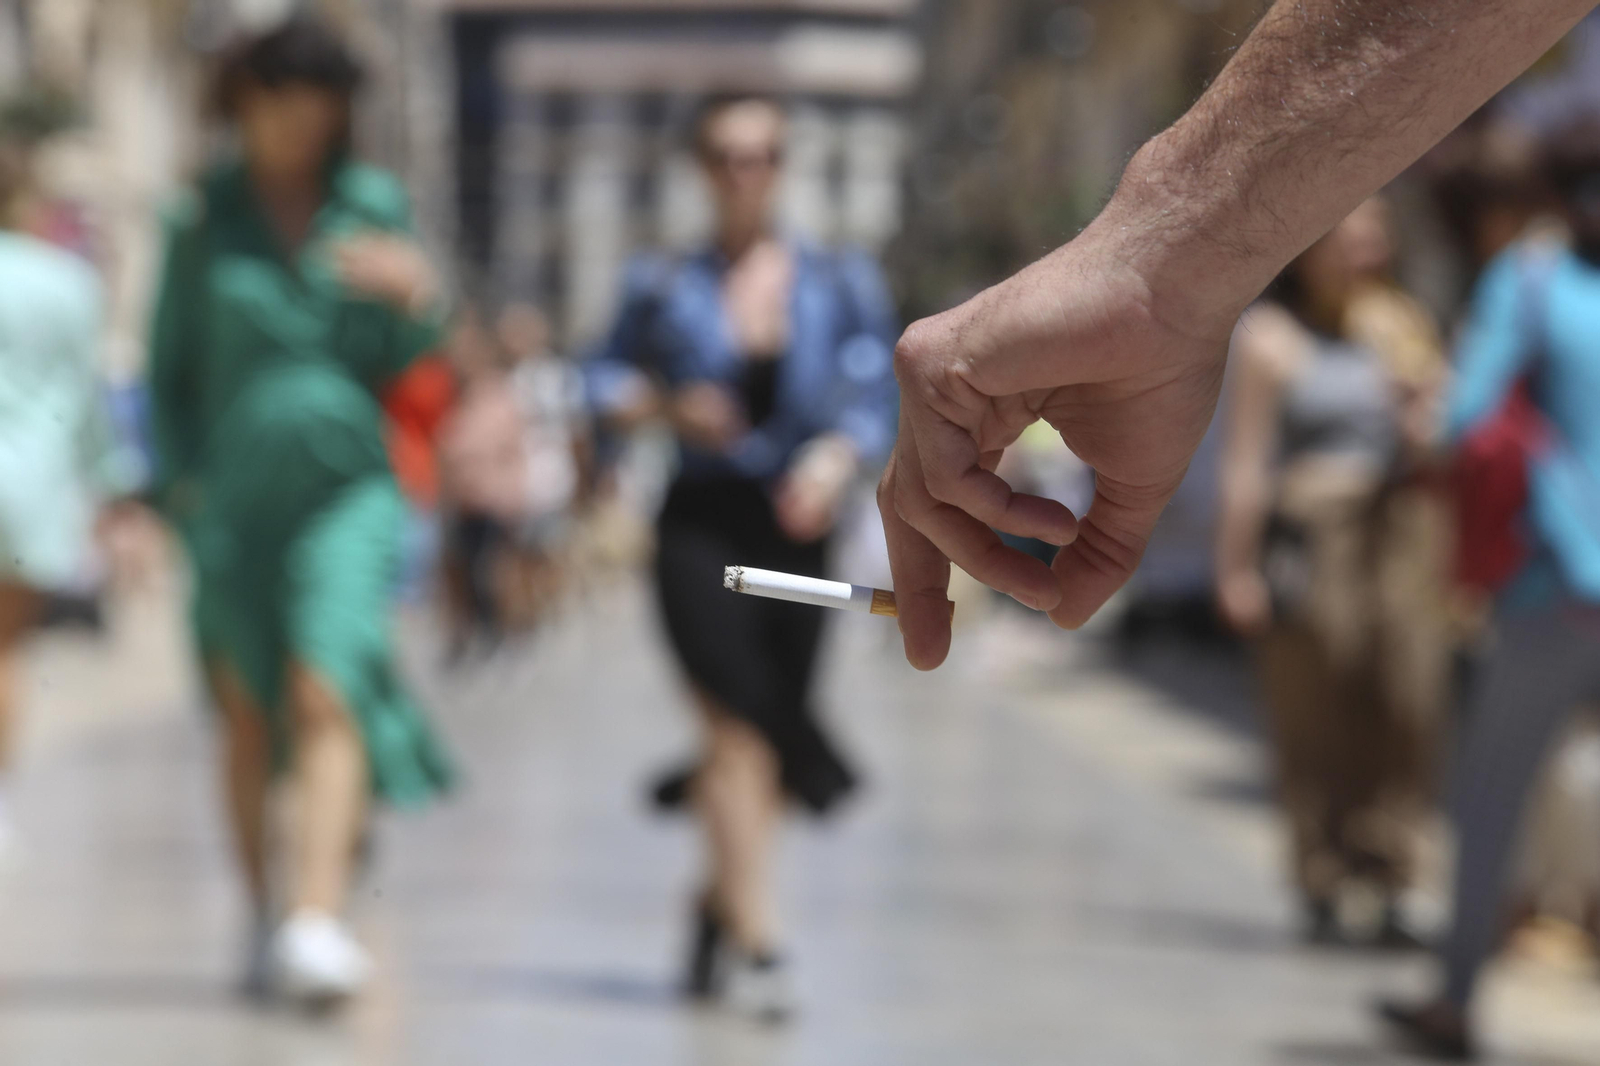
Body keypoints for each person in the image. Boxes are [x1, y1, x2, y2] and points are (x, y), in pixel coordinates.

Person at [875, 0, 1593, 673]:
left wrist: (1164, 253)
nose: (1366, 252)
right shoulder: (1294, 332)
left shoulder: (1430, 307)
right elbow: (1250, 465)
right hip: (1338, 564)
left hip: (1425, 561)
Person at [145, 17, 453, 1006]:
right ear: (243, 108)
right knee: (247, 714)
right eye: (282, 115)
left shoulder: (370, 207)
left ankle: (317, 918)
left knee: (327, 682)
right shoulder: (201, 218)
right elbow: (168, 370)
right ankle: (262, 907)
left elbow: (412, 359)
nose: (300, 136)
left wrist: (419, 295)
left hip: (344, 483)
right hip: (231, 492)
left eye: (319, 119)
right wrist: (170, 487)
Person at [593, 94, 896, 1019]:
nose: (743, 171)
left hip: (800, 520)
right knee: (734, 722)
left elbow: (880, 385)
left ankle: (715, 900)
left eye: (761, 154)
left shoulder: (838, 281)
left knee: (767, 728)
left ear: (782, 164)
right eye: (726, 154)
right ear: (699, 166)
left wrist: (838, 457)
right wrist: (661, 406)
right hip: (699, 517)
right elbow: (597, 377)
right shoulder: (659, 281)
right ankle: (763, 942)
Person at [1378, 113, 1600, 1061]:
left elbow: (1467, 422)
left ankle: (1457, 1000)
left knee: (1493, 793)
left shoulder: (1532, 279)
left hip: (1556, 581)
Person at [1216, 199, 1449, 948]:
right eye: (1347, 240)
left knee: (1406, 697)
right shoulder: (1274, 339)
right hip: (1313, 535)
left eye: (1373, 238)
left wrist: (1422, 408)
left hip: (1401, 531)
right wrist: (1236, 565)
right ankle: (1321, 872)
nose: (1362, 254)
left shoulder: (1403, 325)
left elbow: (1440, 438)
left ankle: (1394, 872)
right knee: (1315, 703)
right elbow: (1246, 461)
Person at [0, 140, 122, 860]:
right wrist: (112, 486)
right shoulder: (66, 283)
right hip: (31, 487)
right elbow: (88, 401)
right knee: (5, 649)